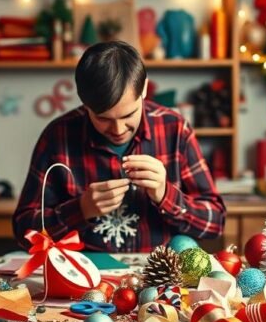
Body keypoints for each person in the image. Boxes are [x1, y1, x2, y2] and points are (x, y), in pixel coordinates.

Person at [13, 41, 225, 252]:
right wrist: (80, 209)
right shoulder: (57, 136)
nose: (118, 129)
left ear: (143, 89)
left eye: (128, 115)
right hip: (85, 277)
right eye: (103, 118)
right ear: (85, 102)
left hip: (160, 277)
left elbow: (215, 223)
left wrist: (165, 194)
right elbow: (24, 233)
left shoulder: (175, 129)